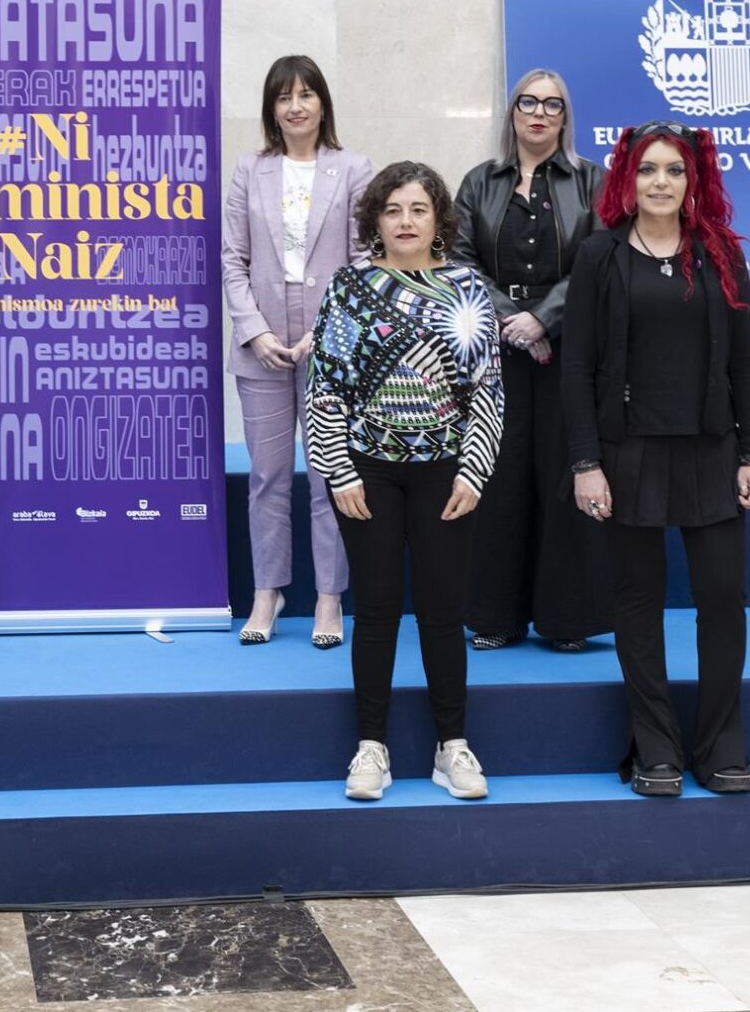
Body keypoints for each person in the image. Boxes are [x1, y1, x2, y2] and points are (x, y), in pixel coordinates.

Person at [560, 121, 750, 798]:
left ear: (693, 179)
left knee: (723, 598)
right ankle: (654, 747)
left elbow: (747, 360)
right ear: (628, 177)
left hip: (712, 450)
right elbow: (576, 368)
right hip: (627, 454)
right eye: (648, 169)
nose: (660, 182)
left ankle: (720, 743)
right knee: (637, 602)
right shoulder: (599, 255)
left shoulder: (720, 253)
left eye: (674, 170)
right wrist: (586, 462)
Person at [306, 161, 503, 801]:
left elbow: (488, 388)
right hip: (367, 472)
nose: (406, 221)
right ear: (376, 221)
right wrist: (338, 469)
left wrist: (475, 468)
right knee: (378, 608)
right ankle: (371, 747)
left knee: (444, 612)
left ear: (438, 217)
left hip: (447, 472)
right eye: (392, 210)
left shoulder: (467, 288)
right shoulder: (349, 287)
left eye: (418, 209)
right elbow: (326, 386)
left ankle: (453, 747)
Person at [453, 68, 613, 652]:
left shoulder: (593, 180)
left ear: (565, 117)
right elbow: (459, 261)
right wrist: (512, 322)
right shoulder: (479, 182)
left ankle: (567, 620)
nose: (540, 113)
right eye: (529, 102)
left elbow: (600, 257)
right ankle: (497, 617)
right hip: (496, 348)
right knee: (500, 476)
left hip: (570, 346)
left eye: (552, 104)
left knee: (563, 475)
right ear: (512, 112)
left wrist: (544, 318)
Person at [223, 55, 372, 648]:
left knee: (332, 473)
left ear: (322, 103)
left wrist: (325, 328)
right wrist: (254, 330)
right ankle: (268, 592)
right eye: (284, 97)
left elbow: (364, 260)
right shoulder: (250, 169)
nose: (296, 106)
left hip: (329, 342)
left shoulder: (353, 168)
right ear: (271, 109)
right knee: (267, 476)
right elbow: (233, 259)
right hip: (261, 340)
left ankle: (329, 597)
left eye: (306, 94)